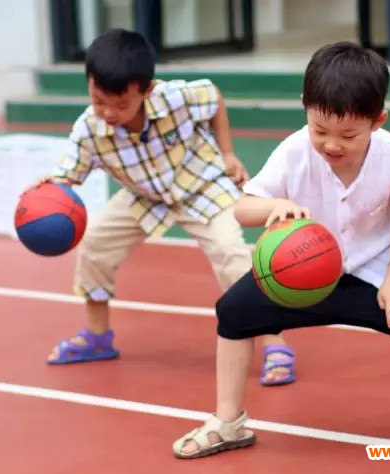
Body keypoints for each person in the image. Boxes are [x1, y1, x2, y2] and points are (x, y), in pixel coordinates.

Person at [172, 41, 390, 459]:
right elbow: (242, 208)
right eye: (320, 130)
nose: (332, 144)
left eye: (348, 135)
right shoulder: (295, 150)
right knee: (234, 312)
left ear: (378, 120)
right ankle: (228, 421)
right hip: (302, 271)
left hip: (377, 265)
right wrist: (273, 206)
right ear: (305, 107)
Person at [31, 28, 295, 386]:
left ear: (147, 89)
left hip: (201, 184)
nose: (108, 112)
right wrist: (48, 190)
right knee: (95, 247)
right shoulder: (88, 130)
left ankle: (272, 342)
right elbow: (69, 176)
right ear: (90, 84)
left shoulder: (174, 97)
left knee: (231, 254)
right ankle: (97, 336)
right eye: (98, 100)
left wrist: (228, 152)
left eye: (121, 104)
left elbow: (213, 96)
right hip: (144, 196)